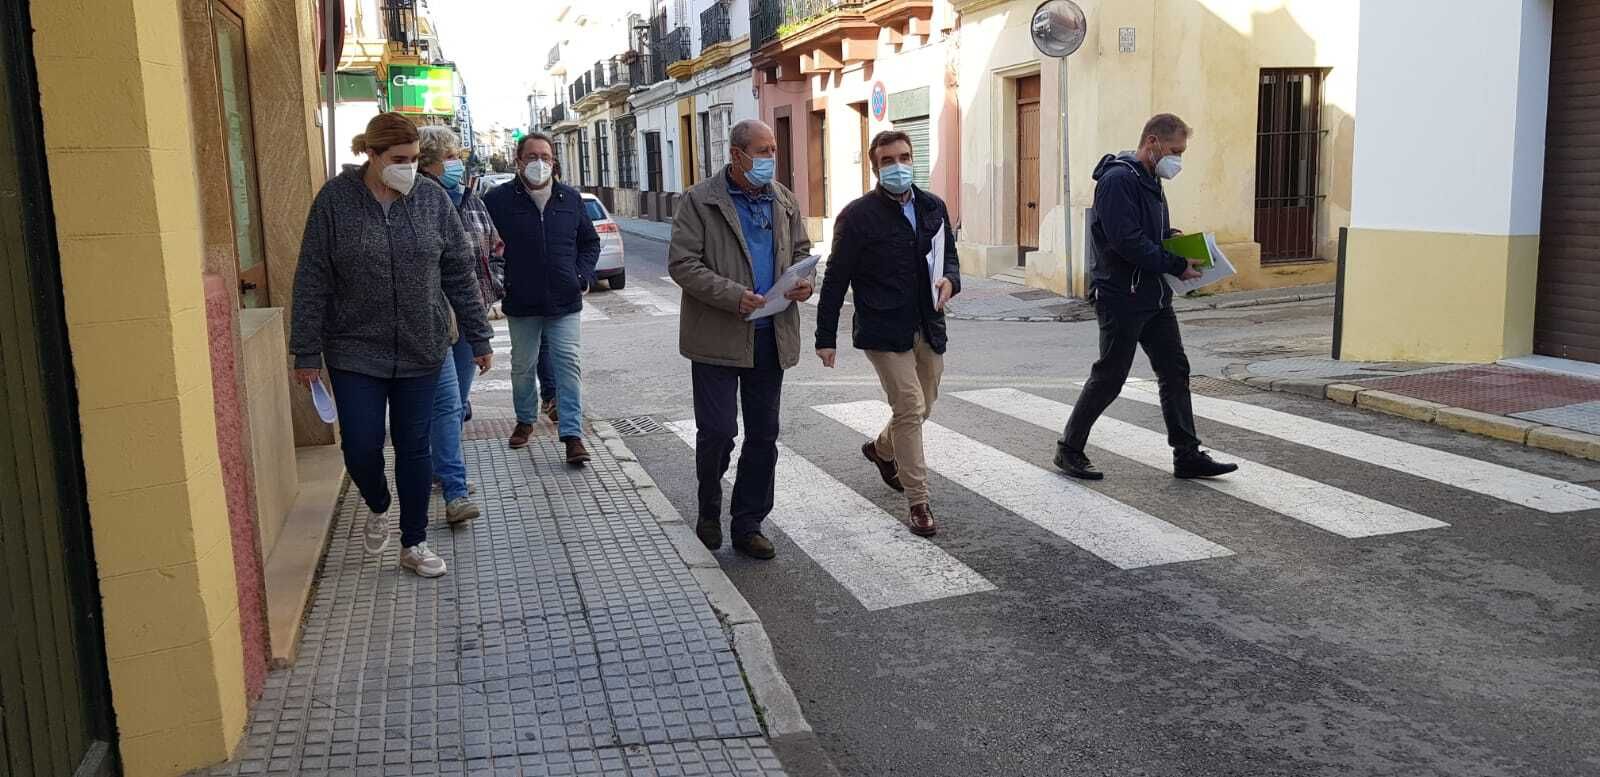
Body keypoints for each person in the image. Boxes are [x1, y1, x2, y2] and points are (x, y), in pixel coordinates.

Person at [290, 112, 493, 579]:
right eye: (399, 159)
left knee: (414, 446)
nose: (410, 168)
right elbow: (312, 278)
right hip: (354, 349)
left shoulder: (431, 199)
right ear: (372, 155)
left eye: (416, 160)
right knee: (361, 445)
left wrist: (479, 335)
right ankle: (378, 502)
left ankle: (414, 541)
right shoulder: (335, 201)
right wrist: (305, 350)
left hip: (422, 347)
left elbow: (458, 272)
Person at [1055, 113, 1237, 481]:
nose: (1178, 160)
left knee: (1175, 370)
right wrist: (1174, 261)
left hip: (1153, 295)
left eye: (1182, 152)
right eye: (1175, 151)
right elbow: (1125, 240)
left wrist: (1170, 235)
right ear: (1152, 142)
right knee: (1110, 376)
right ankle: (1069, 449)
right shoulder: (1118, 180)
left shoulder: (1149, 178)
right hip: (1123, 296)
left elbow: (1141, 231)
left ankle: (1186, 454)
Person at [668, 119, 814, 560]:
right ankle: (709, 507)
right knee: (717, 432)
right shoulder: (700, 201)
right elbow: (683, 264)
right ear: (736, 155)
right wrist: (735, 297)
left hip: (771, 335)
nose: (771, 158)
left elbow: (803, 253)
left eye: (773, 149)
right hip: (717, 337)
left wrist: (806, 281)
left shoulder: (784, 200)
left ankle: (748, 523)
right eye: (762, 150)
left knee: (763, 435)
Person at [815, 130, 959, 537]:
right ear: (876, 167)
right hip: (882, 327)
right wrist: (826, 337)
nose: (899, 166)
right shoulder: (857, 216)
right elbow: (836, 279)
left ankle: (881, 449)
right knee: (910, 407)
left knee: (925, 404)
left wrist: (950, 280)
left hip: (927, 323)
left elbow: (949, 257)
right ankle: (919, 502)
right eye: (889, 160)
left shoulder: (933, 206)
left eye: (904, 157)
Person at [483, 132, 598, 462]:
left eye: (545, 157)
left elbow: (589, 243)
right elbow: (486, 248)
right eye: (532, 157)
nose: (539, 163)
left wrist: (581, 275)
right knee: (522, 366)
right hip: (521, 301)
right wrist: (499, 282)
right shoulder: (499, 200)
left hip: (565, 301)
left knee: (569, 367)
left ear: (554, 162)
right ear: (518, 162)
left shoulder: (570, 199)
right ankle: (524, 421)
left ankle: (573, 434)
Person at [417, 126, 495, 525]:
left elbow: (490, 249)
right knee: (446, 404)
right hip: (431, 321)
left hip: (469, 313)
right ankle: (453, 486)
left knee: (456, 403)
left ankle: (441, 470)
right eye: (450, 155)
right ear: (428, 158)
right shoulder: (416, 200)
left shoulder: (469, 198)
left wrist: (492, 293)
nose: (456, 162)